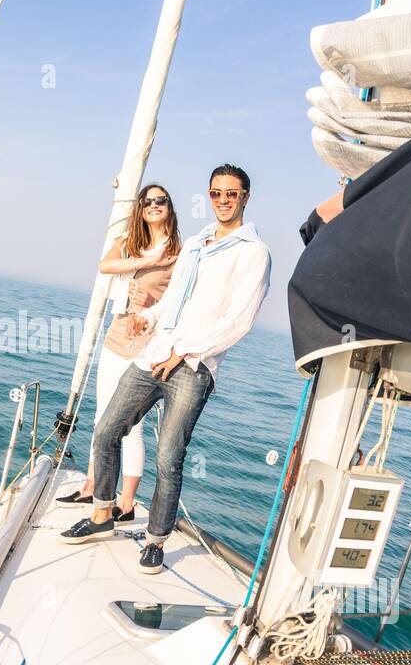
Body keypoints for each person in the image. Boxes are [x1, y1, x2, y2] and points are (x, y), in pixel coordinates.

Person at [59, 164, 272, 575]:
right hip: (153, 353)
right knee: (106, 431)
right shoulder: (195, 243)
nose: (223, 200)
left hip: (194, 367)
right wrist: (149, 319)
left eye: (231, 193)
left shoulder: (253, 252)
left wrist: (186, 352)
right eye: (215, 193)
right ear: (208, 196)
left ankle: (155, 540)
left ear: (245, 197)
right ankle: (103, 515)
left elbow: (239, 320)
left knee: (169, 456)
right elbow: (175, 298)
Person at [56, 184, 180, 521]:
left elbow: (179, 302)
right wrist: (146, 260)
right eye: (148, 201)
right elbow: (106, 265)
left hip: (147, 339)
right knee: (102, 418)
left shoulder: (181, 252)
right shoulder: (132, 241)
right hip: (117, 332)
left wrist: (153, 308)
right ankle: (93, 486)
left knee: (131, 425)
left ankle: (125, 501)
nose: (154, 205)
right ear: (140, 207)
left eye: (161, 200)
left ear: (170, 206)